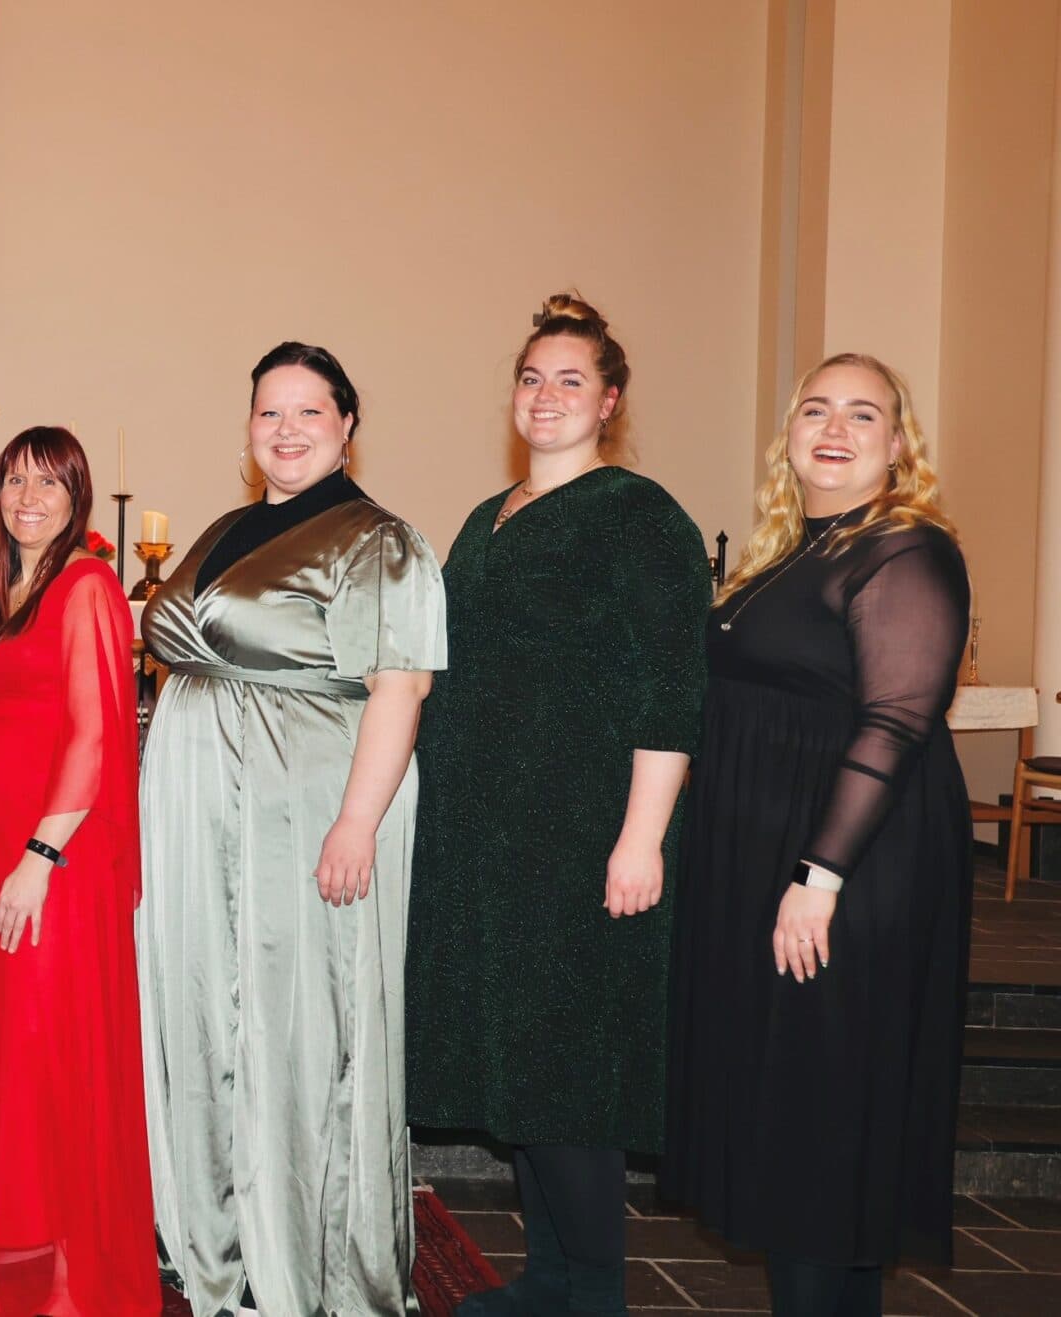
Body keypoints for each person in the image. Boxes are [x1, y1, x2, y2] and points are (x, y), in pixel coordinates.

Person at [406, 293, 711, 1317]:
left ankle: (595, 1295)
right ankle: (548, 1280)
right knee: (524, 1076)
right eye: (531, 377)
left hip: (578, 837)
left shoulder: (639, 516)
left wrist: (641, 838)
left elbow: (671, 687)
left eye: (570, 379)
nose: (545, 395)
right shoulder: (484, 518)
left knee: (570, 1079)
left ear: (609, 400)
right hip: (489, 842)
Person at [138, 342, 445, 1316]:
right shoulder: (229, 527)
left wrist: (356, 822)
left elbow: (399, 687)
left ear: (347, 425)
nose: (286, 429)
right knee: (206, 1011)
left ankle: (311, 1266)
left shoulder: (378, 540)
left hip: (307, 807)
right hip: (206, 811)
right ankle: (217, 1242)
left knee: (303, 1026)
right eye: (269, 411)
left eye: (309, 410)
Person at [662, 355, 971, 1317]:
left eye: (863, 414)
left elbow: (896, 722)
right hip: (779, 855)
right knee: (803, 1119)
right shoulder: (796, 551)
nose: (835, 429)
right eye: (817, 410)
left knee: (815, 1119)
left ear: (898, 445)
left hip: (852, 866)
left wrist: (820, 874)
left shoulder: (905, 550)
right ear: (788, 435)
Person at [0, 426, 158, 1316]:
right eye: (14, 479)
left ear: (76, 496)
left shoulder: (87, 585)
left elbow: (96, 734)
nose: (28, 497)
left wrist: (39, 857)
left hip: (51, 850)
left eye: (48, 482)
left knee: (39, 1053)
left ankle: (55, 1273)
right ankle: (0, 1247)